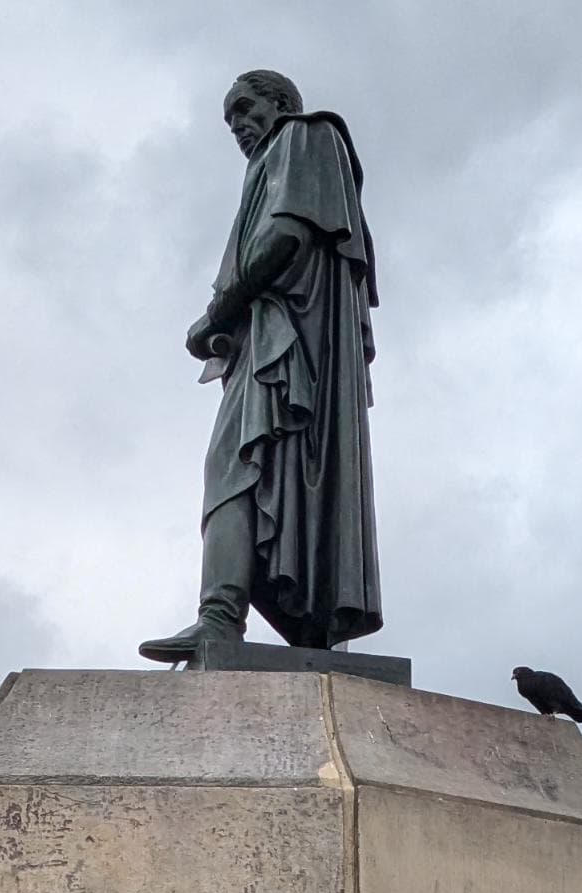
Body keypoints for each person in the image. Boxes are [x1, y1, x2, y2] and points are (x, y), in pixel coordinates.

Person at [138, 69, 380, 666]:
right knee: (260, 471)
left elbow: (287, 235)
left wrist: (217, 310)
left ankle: (219, 618)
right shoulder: (275, 158)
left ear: (281, 103)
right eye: (229, 121)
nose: (239, 127)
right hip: (270, 338)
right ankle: (256, 619)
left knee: (232, 466)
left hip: (290, 342)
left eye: (245, 110)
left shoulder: (305, 136)